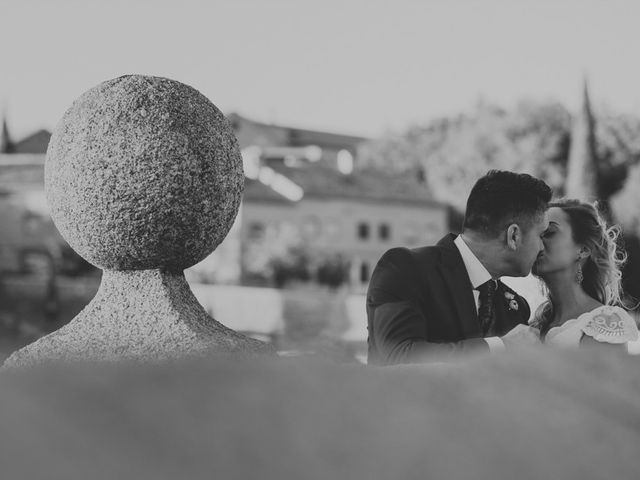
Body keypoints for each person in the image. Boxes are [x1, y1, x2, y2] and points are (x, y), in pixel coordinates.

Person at [367, 170, 550, 366]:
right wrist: (501, 346)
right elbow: (400, 357)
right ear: (513, 236)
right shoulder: (405, 269)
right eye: (541, 235)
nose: (542, 247)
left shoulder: (515, 308)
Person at [531, 199, 639, 349]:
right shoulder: (533, 325)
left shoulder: (605, 323)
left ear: (583, 250)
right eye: (535, 234)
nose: (536, 242)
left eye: (549, 233)